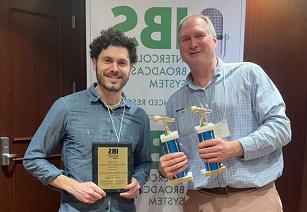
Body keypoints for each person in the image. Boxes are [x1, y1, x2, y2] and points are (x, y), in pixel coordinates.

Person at [158, 14, 291, 212]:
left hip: (254, 198)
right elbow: (179, 155)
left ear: (214, 40)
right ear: (180, 49)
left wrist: (236, 147)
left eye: (199, 36)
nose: (193, 43)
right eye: (186, 39)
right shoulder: (174, 102)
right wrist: (164, 169)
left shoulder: (248, 75)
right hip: (199, 202)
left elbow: (281, 128)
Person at [23, 28, 152, 212]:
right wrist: (73, 186)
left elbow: (145, 162)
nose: (114, 68)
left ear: (130, 67)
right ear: (94, 63)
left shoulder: (139, 116)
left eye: (122, 62)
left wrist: (138, 180)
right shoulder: (66, 107)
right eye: (107, 60)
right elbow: (33, 157)